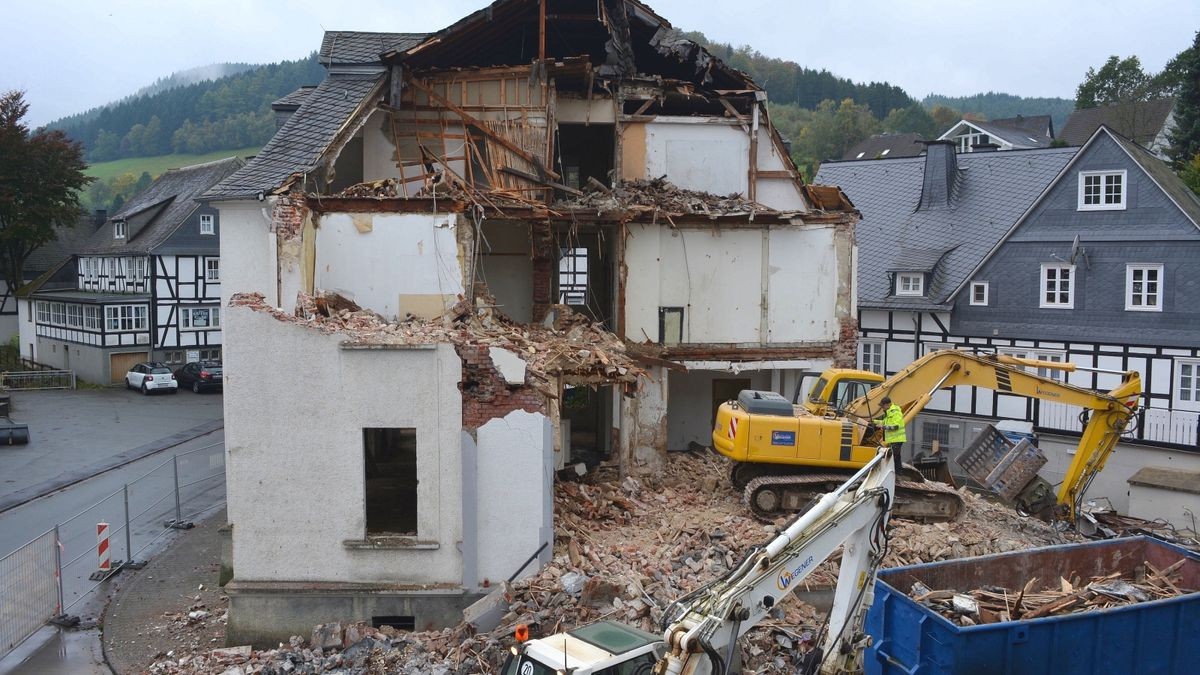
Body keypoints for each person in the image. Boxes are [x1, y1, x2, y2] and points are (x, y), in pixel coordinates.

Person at [874, 395, 906, 475]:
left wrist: (884, 427)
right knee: (896, 458)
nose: (882, 408)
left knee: (891, 458)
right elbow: (884, 422)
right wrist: (873, 421)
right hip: (894, 439)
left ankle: (889, 475)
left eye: (882, 406)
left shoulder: (895, 412)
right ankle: (898, 474)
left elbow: (895, 426)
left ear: (887, 405)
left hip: (897, 439)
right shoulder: (889, 413)